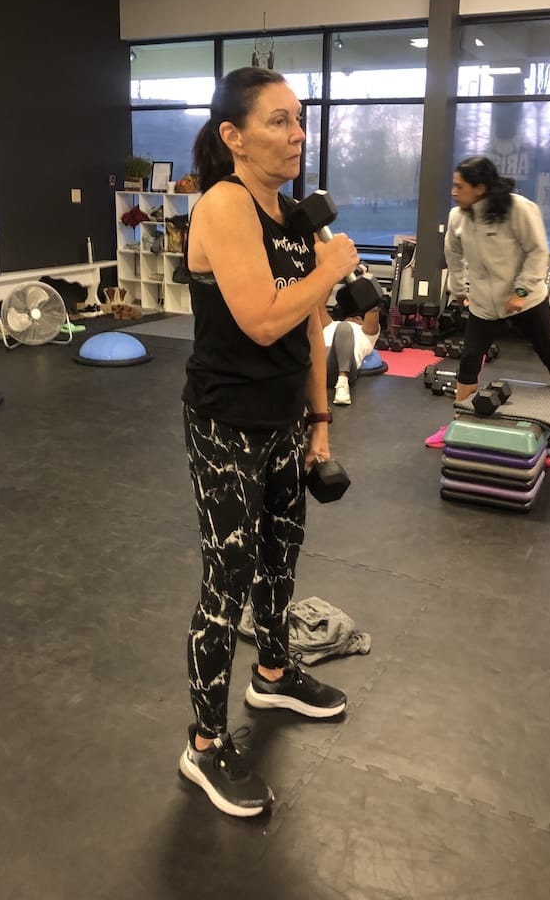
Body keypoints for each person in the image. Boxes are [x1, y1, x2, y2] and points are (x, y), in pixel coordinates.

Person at [179, 67, 360, 817]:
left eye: (299, 120)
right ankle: (204, 744)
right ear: (234, 136)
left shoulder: (293, 215)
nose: (297, 135)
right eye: (279, 121)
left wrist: (320, 424)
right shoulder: (222, 205)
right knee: (228, 580)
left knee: (281, 558)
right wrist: (331, 267)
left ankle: (275, 675)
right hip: (226, 424)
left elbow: (310, 331)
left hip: (286, 423)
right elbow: (260, 319)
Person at [425, 155, 550, 448]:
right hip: (483, 303)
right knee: (469, 360)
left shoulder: (520, 209)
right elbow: (453, 254)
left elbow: (538, 252)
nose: (453, 192)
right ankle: (458, 423)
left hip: (526, 302)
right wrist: (459, 290)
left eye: (459, 186)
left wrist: (521, 292)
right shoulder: (458, 217)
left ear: (479, 188)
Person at [317, 297, 380, 405]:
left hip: (341, 367)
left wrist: (365, 292)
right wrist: (329, 285)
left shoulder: (366, 333)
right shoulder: (331, 324)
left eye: (358, 317)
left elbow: (372, 309)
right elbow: (318, 305)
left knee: (344, 328)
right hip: (318, 363)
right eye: (351, 316)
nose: (354, 318)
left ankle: (342, 384)